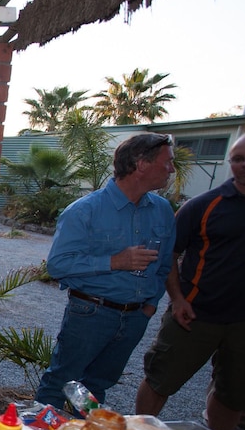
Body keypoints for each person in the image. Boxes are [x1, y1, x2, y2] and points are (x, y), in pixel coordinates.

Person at [34, 133, 177, 411]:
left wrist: (149, 305)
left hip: (136, 317)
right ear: (141, 164)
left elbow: (165, 263)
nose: (171, 169)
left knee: (97, 386)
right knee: (60, 381)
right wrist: (115, 262)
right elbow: (58, 265)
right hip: (92, 314)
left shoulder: (162, 210)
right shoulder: (85, 210)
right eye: (167, 162)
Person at [135, 129, 245, 430]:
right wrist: (177, 299)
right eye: (237, 159)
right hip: (196, 313)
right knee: (160, 378)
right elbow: (169, 255)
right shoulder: (205, 206)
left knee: (233, 391)